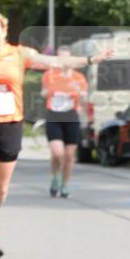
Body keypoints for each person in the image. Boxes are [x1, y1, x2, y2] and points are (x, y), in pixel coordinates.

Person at [0, 11, 108, 259]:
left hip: (10, 125)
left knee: (2, 187)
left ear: (4, 31)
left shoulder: (19, 54)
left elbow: (56, 62)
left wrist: (90, 59)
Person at [41, 47, 88, 198]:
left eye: (67, 58)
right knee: (57, 152)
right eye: (60, 58)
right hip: (54, 116)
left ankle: (65, 184)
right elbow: (43, 92)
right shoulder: (50, 75)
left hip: (71, 116)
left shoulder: (78, 78)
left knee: (69, 155)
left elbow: (85, 99)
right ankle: (55, 176)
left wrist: (80, 96)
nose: (64, 62)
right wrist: (52, 90)